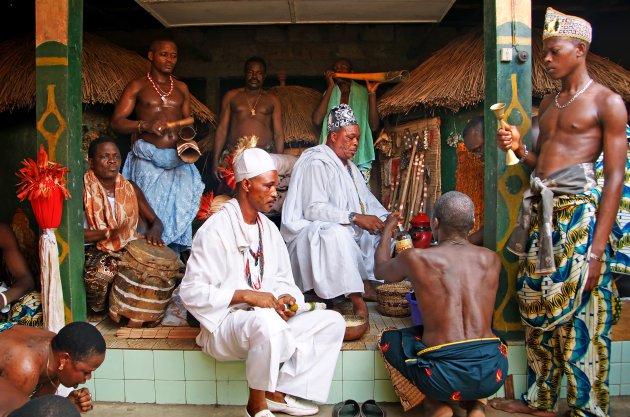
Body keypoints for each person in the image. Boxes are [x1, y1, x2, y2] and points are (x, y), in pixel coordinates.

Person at [492, 8, 627, 417]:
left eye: (554, 51)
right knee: (536, 308)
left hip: (580, 221)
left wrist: (598, 252)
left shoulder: (608, 101)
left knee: (582, 313)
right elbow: (541, 166)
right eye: (544, 52)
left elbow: (616, 180)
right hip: (541, 220)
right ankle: (541, 399)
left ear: (580, 50)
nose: (546, 59)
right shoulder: (549, 105)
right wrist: (518, 147)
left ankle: (586, 407)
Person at [180, 145, 345, 417]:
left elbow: (282, 278)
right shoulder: (216, 229)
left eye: (276, 186)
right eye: (268, 186)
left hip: (268, 327)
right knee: (265, 321)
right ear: (246, 185)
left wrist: (286, 297)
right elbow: (191, 292)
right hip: (225, 328)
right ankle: (255, 406)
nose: (274, 193)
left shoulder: (267, 228)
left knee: (331, 322)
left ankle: (277, 392)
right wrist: (245, 296)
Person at [374, 192, 507, 417]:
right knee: (487, 340)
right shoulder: (492, 259)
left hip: (439, 376)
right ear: (472, 223)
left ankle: (435, 406)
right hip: (492, 371)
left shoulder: (417, 258)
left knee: (388, 338)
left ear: (435, 223)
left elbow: (380, 270)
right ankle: (476, 407)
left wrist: (387, 229)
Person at [281, 104, 390, 317]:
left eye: (357, 138)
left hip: (344, 226)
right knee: (337, 235)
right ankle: (357, 295)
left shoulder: (351, 168)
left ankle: (368, 285)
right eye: (349, 138)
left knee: (385, 233)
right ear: (333, 136)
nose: (356, 143)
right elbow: (313, 210)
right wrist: (355, 218)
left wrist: (386, 220)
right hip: (308, 231)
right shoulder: (316, 161)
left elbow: (368, 203)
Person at [111, 38, 203, 253]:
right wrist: (145, 125)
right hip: (148, 161)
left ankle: (172, 264)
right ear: (151, 56)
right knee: (147, 216)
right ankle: (146, 264)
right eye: (163, 54)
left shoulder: (181, 88)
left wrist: (186, 140)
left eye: (173, 55)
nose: (169, 59)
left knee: (178, 214)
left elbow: (187, 123)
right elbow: (116, 122)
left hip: (177, 161)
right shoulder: (138, 86)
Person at [83, 137, 165, 314]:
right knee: (104, 270)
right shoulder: (82, 189)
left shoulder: (130, 188)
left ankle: (134, 312)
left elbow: (155, 221)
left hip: (126, 244)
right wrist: (107, 234)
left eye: (116, 156)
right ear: (91, 162)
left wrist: (155, 232)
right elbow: (74, 234)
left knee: (163, 269)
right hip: (94, 247)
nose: (112, 161)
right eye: (104, 156)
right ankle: (98, 312)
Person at [0, 321, 106, 416]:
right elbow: (19, 413)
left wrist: (67, 405)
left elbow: (38, 405)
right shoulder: (25, 370)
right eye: (86, 372)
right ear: (64, 359)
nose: (88, 378)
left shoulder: (58, 351)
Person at [211, 56, 285, 188]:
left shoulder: (273, 100)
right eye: (251, 72)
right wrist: (215, 160)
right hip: (233, 156)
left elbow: (278, 134)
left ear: (264, 76)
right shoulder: (231, 96)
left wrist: (278, 161)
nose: (254, 76)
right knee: (231, 194)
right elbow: (222, 130)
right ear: (244, 74)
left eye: (259, 73)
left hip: (264, 156)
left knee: (261, 197)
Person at [311, 58, 380, 182]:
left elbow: (374, 127)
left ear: (352, 72)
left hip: (359, 154)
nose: (338, 70)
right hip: (332, 155)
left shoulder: (363, 93)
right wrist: (331, 87)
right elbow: (317, 120)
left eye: (343, 67)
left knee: (359, 198)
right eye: (336, 68)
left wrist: (372, 95)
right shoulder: (329, 92)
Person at [0, 223, 41, 326]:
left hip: (3, 302)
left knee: (34, 304)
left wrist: (3, 299)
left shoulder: (2, 232)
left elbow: (26, 280)